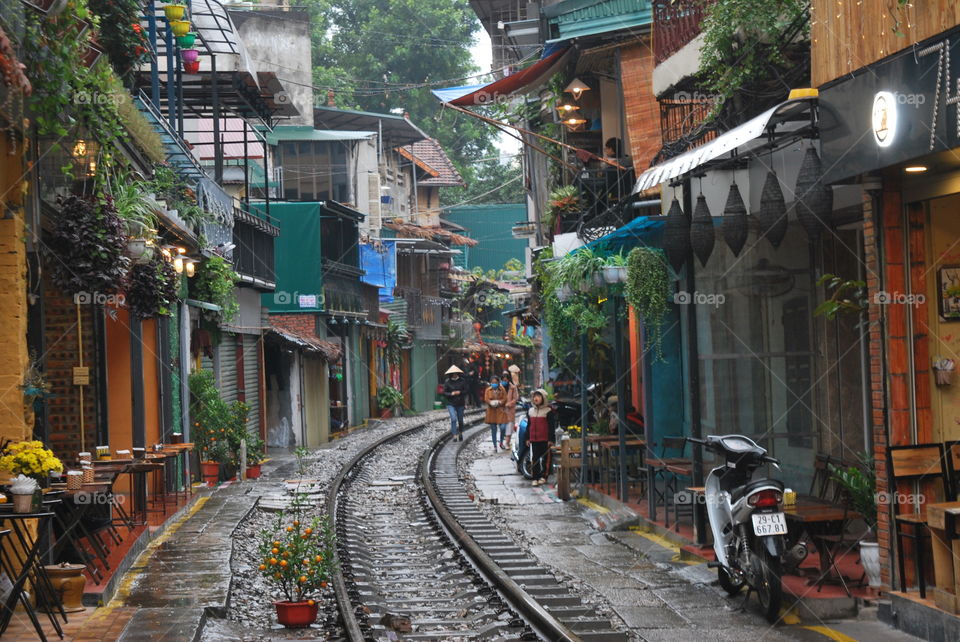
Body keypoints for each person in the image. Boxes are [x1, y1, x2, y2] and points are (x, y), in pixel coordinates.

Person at [526, 389, 557, 487]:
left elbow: (552, 427)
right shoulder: (531, 411)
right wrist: (527, 438)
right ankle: (535, 477)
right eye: (535, 396)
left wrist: (551, 440)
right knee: (534, 459)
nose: (536, 398)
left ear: (543, 398)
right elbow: (529, 426)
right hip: (534, 439)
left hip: (545, 440)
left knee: (546, 459)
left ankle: (544, 476)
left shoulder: (548, 411)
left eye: (538, 396)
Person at [484, 375, 510, 452]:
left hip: (501, 411)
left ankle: (501, 442)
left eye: (495, 382)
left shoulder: (502, 389)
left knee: (503, 428)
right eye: (492, 382)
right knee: (493, 429)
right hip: (491, 412)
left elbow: (505, 398)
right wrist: (491, 402)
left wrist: (500, 402)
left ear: (498, 382)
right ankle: (495, 445)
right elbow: (486, 399)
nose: (494, 384)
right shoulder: (488, 390)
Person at [442, 365, 468, 441]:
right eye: (453, 373)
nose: (454, 374)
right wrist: (451, 394)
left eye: (455, 373)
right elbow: (444, 392)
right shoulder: (447, 382)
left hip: (460, 403)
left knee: (460, 419)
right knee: (453, 419)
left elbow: (466, 391)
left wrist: (460, 392)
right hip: (451, 403)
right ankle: (454, 434)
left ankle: (460, 433)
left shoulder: (462, 381)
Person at [500, 370, 519, 450]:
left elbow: (516, 398)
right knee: (502, 428)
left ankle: (507, 443)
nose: (505, 381)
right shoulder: (499, 387)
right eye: (503, 380)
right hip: (501, 411)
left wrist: (509, 404)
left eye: (506, 380)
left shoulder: (513, 388)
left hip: (510, 410)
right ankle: (502, 442)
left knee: (509, 427)